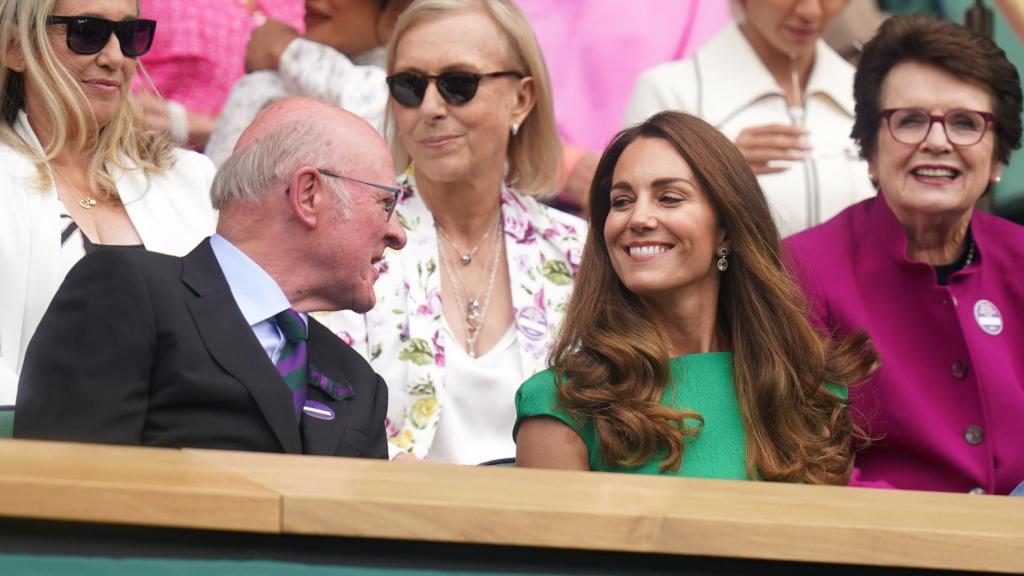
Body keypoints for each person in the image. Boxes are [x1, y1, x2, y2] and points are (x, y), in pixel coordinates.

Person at [14, 98, 405, 457]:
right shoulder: (129, 294)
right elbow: (66, 498)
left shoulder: (359, 382)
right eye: (385, 204)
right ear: (308, 195)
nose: (399, 234)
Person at [515, 111, 874, 480]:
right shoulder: (562, 406)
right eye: (621, 201)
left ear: (726, 230)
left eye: (669, 198)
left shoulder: (807, 389)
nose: (638, 218)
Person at [321, 0, 585, 464]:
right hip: (391, 524)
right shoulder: (348, 241)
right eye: (409, 86)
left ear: (521, 98)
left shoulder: (576, 252)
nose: (430, 108)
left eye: (458, 84)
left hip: (549, 525)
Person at [786, 15, 1024, 494]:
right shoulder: (800, 270)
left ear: (998, 157)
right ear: (869, 149)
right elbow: (801, 455)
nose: (937, 142)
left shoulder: (1019, 256)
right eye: (909, 120)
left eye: (965, 123)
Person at [0, 0, 217, 409]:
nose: (115, 57)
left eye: (131, 35)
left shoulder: (191, 180)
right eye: (87, 32)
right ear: (14, 49)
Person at [624, 0, 875, 237]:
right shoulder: (667, 92)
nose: (811, 12)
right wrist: (712, 173)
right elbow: (633, 220)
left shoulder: (872, 94)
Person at [205, 0, 411, 166]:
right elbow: (213, 201)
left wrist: (289, 52)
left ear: (396, 9)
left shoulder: (421, 87)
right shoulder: (267, 83)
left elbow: (380, 123)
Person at [132, 0, 304, 149]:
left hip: (281, 172)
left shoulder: (307, 8)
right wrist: (195, 126)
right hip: (160, 165)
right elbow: (115, 86)